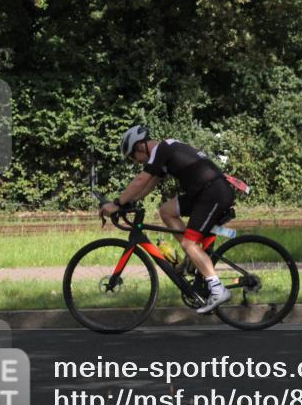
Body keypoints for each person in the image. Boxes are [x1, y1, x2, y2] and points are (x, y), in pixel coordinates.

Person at [99, 125, 234, 313]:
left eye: (133, 157)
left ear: (140, 147)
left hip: (211, 193)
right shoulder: (165, 151)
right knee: (166, 211)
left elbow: (140, 180)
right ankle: (192, 257)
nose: (136, 162)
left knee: (189, 243)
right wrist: (130, 202)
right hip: (204, 192)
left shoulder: (161, 149)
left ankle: (218, 290)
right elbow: (148, 185)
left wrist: (116, 203)